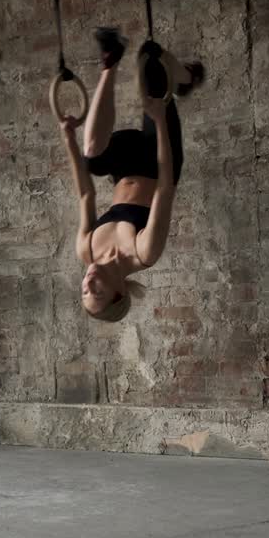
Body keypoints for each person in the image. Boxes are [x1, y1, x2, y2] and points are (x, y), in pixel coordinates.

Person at [57, 28, 204, 321]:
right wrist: (160, 123)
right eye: (97, 292)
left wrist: (68, 140)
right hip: (160, 160)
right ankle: (186, 78)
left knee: (93, 157)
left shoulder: (86, 249)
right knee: (150, 60)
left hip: (124, 165)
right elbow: (164, 188)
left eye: (84, 292)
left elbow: (86, 193)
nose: (88, 284)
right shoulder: (144, 251)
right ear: (119, 292)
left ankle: (109, 62)